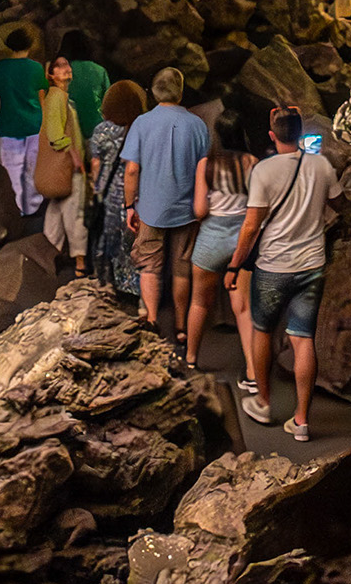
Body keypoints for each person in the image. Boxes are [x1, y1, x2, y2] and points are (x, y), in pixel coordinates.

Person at [232, 103, 341, 440]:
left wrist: (235, 264)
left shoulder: (264, 171)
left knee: (262, 330)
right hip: (311, 265)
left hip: (272, 266)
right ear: (301, 133)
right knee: (303, 338)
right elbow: (340, 204)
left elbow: (251, 226)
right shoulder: (321, 165)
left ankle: (263, 403)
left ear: (271, 135)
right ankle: (302, 420)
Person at [121, 67, 210, 340]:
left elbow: (132, 170)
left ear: (154, 92)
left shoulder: (142, 123)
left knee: (149, 266)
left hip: (151, 207)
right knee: (182, 269)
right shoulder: (197, 124)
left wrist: (129, 206)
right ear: (180, 92)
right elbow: (203, 169)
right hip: (187, 208)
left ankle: (151, 319)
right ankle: (181, 327)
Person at [186, 129, 255, 367]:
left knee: (199, 302)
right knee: (243, 308)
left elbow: (200, 210)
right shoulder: (252, 162)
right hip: (242, 240)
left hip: (211, 240)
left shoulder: (206, 164)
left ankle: (191, 358)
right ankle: (252, 370)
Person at [87, 77, 146, 304]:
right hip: (137, 194)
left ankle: (111, 285)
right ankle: (136, 288)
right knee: (135, 241)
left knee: (111, 239)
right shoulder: (142, 128)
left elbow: (96, 164)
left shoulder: (102, 130)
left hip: (111, 196)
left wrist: (97, 189)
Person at [0, 23, 45, 215]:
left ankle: (22, 209)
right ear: (29, 45)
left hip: (9, 127)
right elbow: (41, 98)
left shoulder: (0, 69)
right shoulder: (35, 68)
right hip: (33, 125)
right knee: (33, 170)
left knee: (13, 171)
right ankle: (33, 209)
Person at [38, 55, 89, 275]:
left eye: (67, 64)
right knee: (75, 213)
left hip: (58, 168)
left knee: (56, 213)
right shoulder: (57, 97)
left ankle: (49, 257)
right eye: (59, 66)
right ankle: (80, 263)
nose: (66, 68)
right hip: (67, 167)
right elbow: (56, 136)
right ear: (51, 74)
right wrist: (76, 158)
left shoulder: (61, 98)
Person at [59, 28, 109, 140]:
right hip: (97, 129)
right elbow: (108, 101)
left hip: (70, 132)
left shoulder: (60, 73)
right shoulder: (99, 70)